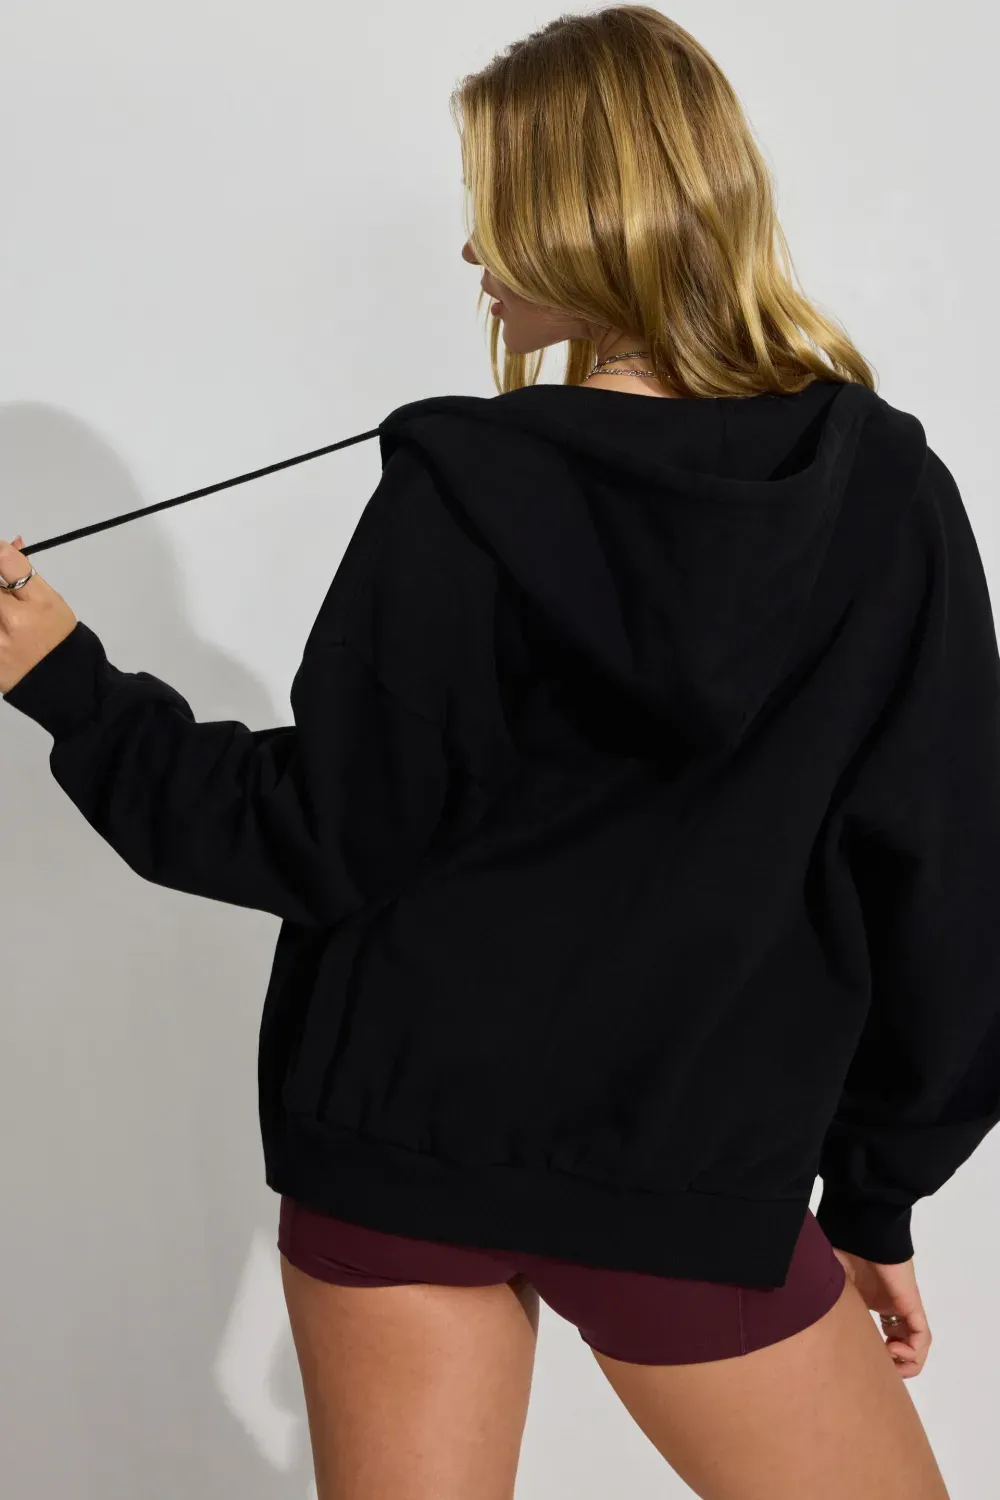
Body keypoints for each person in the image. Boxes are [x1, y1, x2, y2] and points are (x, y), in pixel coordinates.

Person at [1, 6, 993, 1497]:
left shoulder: (464, 487)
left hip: (400, 1155)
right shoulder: (883, 496)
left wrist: (69, 683)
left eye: (497, 207)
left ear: (588, 218)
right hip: (684, 1177)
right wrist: (879, 1186)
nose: (472, 247)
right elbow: (948, 878)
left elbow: (315, 837)